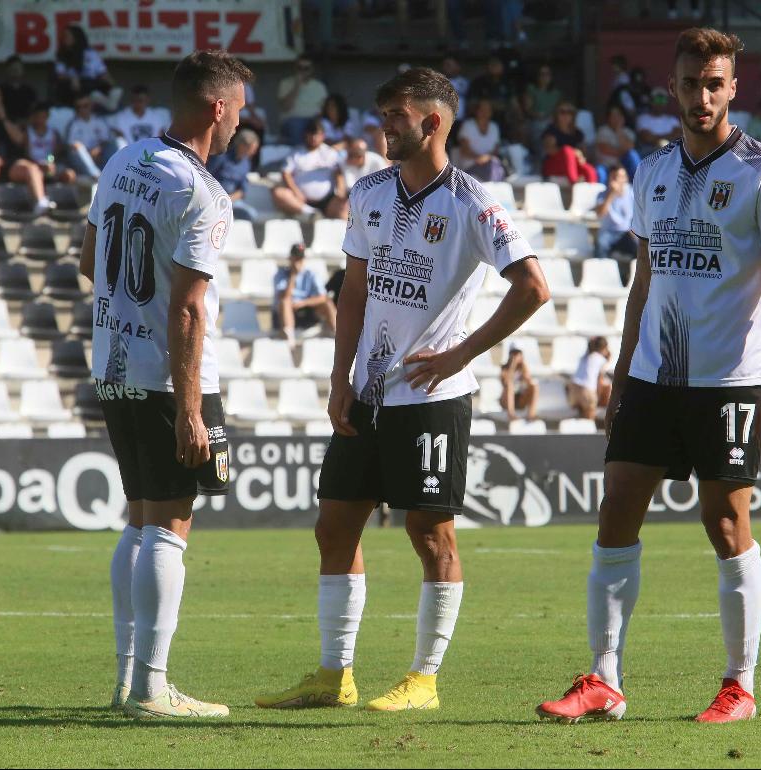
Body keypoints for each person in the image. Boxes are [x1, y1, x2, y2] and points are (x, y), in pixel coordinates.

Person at [255, 66, 550, 713]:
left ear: (433, 122)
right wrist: (340, 377)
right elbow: (354, 291)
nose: (384, 125)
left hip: (431, 398)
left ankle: (424, 679)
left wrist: (461, 353)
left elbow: (533, 286)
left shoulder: (473, 203)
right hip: (367, 393)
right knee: (334, 526)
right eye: (383, 113)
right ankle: (335, 675)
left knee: (431, 534)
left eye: (397, 115)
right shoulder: (368, 192)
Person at [536, 27, 761, 725]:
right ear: (672, 88)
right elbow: (644, 281)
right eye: (690, 83)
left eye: (714, 84)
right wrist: (623, 375)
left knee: (725, 521)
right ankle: (604, 679)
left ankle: (740, 685)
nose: (701, 97)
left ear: (733, 87)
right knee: (617, 508)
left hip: (730, 379)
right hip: (654, 378)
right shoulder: (652, 170)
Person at [77, 49, 252, 720]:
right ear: (217, 107)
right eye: (238, 110)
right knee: (171, 525)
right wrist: (189, 408)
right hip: (167, 376)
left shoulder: (122, 160)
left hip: (113, 365)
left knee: (140, 519)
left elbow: (90, 260)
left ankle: (128, 680)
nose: (240, 122)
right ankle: (152, 688)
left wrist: (128, 306)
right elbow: (187, 308)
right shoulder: (203, 193)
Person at [0, 85, 51, 217]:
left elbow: (20, 140)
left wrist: (3, 118)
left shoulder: (10, 119)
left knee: (32, 168)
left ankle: (40, 203)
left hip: (12, 163)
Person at [273, 119, 347, 220]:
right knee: (279, 193)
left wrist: (341, 191)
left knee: (344, 208)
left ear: (323, 136)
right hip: (300, 200)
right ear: (305, 135)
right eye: (311, 134)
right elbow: (286, 173)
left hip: (327, 200)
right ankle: (310, 213)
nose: (314, 138)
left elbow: (338, 173)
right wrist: (295, 191)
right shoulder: (296, 153)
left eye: (317, 135)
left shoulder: (330, 153)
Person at [274, 243, 337, 344]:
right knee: (285, 302)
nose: (298, 262)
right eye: (296, 258)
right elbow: (284, 296)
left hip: (306, 311)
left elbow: (323, 297)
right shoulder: (281, 274)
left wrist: (303, 303)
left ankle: (336, 333)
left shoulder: (311, 274)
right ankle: (289, 338)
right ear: (290, 258)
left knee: (327, 302)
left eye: (300, 259)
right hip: (287, 313)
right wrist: (293, 276)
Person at [54, 25, 121, 112]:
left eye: (67, 36)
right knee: (81, 86)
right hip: (74, 85)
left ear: (76, 37)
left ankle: (108, 101)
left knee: (111, 89)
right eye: (64, 36)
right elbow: (60, 75)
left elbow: (102, 73)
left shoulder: (91, 53)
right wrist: (72, 78)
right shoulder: (62, 55)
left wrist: (113, 85)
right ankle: (105, 102)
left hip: (92, 83)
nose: (65, 39)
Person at [207, 128, 260, 221]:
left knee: (251, 214)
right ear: (242, 146)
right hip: (213, 200)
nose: (254, 152)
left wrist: (230, 199)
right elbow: (206, 177)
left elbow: (242, 188)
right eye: (252, 148)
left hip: (232, 201)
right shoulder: (221, 157)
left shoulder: (246, 163)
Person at [278, 56, 328, 146]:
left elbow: (325, 109)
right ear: (295, 68)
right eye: (300, 68)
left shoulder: (319, 86)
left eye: (306, 68)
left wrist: (318, 119)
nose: (303, 71)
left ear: (312, 69)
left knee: (324, 126)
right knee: (296, 124)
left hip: (314, 120)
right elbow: (285, 107)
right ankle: (299, 153)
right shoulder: (285, 83)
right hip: (292, 120)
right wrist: (297, 86)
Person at [65, 94, 117, 179]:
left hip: (99, 154)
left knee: (117, 141)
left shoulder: (99, 120)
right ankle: (97, 176)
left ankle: (119, 172)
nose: (82, 109)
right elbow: (71, 145)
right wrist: (88, 154)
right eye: (79, 107)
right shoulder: (73, 124)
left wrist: (98, 149)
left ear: (91, 106)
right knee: (79, 148)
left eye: (85, 106)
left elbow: (106, 140)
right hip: (82, 159)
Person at [25, 103, 76, 185]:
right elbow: (27, 154)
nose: (40, 120)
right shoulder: (28, 133)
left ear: (47, 117)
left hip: (51, 165)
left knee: (70, 174)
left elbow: (56, 153)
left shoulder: (54, 133)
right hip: (34, 166)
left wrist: (49, 161)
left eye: (43, 117)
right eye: (38, 117)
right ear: (34, 117)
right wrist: (39, 164)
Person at [455, 98, 504, 182]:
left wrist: (487, 158)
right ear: (477, 111)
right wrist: (479, 158)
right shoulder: (468, 125)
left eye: (488, 110)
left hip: (490, 165)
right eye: (482, 109)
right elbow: (464, 150)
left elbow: (496, 149)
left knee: (496, 167)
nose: (485, 112)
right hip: (470, 167)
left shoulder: (494, 127)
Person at [594, 165, 636, 259]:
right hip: (608, 232)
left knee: (641, 245)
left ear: (626, 179)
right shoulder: (602, 194)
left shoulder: (632, 193)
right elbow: (600, 214)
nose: (617, 180)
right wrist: (611, 194)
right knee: (601, 243)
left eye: (620, 177)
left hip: (627, 232)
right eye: (614, 177)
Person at [568, 336, 611, 420]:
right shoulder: (600, 359)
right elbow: (600, 381)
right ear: (604, 348)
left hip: (573, 389)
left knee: (579, 416)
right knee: (589, 419)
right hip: (587, 391)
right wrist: (597, 398)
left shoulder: (583, 357)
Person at [595, 104, 640, 178]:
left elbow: (630, 147)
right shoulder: (602, 130)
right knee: (600, 172)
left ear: (623, 117)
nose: (616, 118)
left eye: (618, 115)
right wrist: (623, 151)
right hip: (606, 165)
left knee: (632, 154)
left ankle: (640, 181)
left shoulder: (628, 132)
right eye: (613, 116)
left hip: (624, 165)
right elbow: (606, 149)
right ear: (608, 118)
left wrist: (619, 131)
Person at [499, 346, 539, 421]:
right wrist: (512, 366)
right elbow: (505, 382)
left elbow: (529, 381)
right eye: (514, 354)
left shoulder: (523, 368)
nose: (516, 356)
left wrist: (524, 369)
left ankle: (531, 414)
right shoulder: (504, 368)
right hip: (506, 400)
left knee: (534, 386)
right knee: (510, 385)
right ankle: (511, 414)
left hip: (520, 399)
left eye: (518, 354)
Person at [635, 87, 680, 152]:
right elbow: (647, 138)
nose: (660, 103)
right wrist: (670, 136)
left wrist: (656, 138)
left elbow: (679, 136)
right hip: (650, 152)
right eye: (657, 100)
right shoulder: (643, 118)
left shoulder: (672, 120)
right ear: (651, 101)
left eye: (663, 100)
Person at [0, 56, 38, 125]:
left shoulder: (30, 91)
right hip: (3, 125)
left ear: (23, 70)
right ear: (7, 70)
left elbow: (34, 111)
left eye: (18, 68)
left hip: (24, 126)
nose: (15, 71)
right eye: (12, 68)